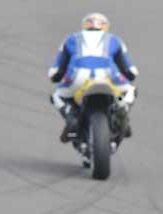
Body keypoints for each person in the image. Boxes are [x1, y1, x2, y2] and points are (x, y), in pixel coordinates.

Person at [48, 13, 138, 143]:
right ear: (105, 26)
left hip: (78, 79)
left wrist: (57, 77)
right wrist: (128, 75)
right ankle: (121, 107)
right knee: (130, 90)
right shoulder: (115, 39)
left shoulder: (70, 39)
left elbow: (55, 72)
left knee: (57, 95)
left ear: (85, 26)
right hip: (109, 79)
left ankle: (71, 115)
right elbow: (130, 71)